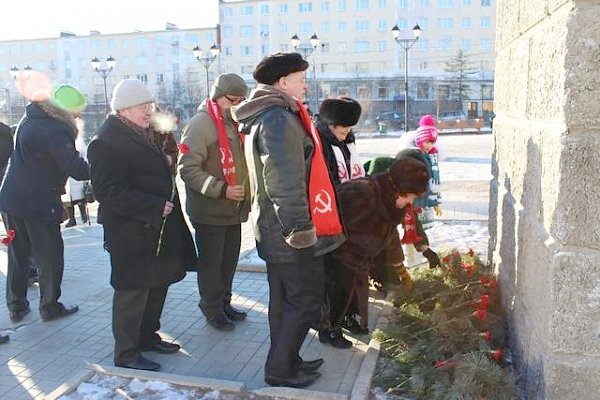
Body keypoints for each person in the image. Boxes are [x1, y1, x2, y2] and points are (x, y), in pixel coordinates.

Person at [232, 52, 345, 388]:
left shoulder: (271, 115)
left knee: (284, 301)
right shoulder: (278, 118)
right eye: (300, 78)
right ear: (283, 83)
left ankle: (288, 360)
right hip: (289, 230)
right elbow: (283, 179)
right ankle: (280, 369)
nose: (305, 84)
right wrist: (299, 229)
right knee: (306, 300)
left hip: (273, 226)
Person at [87, 78, 197, 372]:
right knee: (132, 291)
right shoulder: (105, 142)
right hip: (130, 233)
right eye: (141, 107)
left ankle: (148, 337)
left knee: (157, 283)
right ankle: (126, 353)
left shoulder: (142, 132)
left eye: (149, 105)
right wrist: (151, 205)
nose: (149, 111)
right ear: (123, 110)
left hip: (156, 230)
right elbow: (107, 192)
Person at [0, 84, 89, 323]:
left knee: (19, 255)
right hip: (38, 203)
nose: (78, 116)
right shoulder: (56, 130)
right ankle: (49, 306)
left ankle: (16, 306)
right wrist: (104, 168)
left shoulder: (29, 120)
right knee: (50, 255)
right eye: (76, 112)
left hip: (11, 199)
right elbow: (75, 168)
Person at [329, 150, 441, 334]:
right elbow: (386, 237)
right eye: (410, 197)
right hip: (343, 255)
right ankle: (334, 326)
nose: (410, 202)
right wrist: (397, 266)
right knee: (346, 286)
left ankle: (346, 317)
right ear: (400, 187)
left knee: (355, 286)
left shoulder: (396, 195)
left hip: (361, 254)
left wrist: (425, 248)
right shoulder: (366, 193)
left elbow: (407, 221)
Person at [179, 73, 250, 332]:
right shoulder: (201, 124)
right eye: (233, 100)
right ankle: (211, 308)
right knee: (211, 266)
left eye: (241, 100)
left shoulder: (232, 122)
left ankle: (225, 302)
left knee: (228, 262)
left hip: (233, 211)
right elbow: (187, 169)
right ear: (218, 97)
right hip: (210, 211)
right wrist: (222, 190)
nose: (238, 105)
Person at [314, 97, 363, 348]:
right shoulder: (318, 144)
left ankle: (344, 317)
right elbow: (323, 183)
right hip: (328, 220)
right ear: (330, 124)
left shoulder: (347, 141)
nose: (348, 133)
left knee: (347, 275)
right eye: (343, 128)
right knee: (331, 278)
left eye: (350, 128)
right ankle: (327, 327)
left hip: (349, 217)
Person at [412, 114, 442, 229]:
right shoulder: (416, 156)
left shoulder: (432, 157)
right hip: (416, 200)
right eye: (427, 142)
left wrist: (436, 202)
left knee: (422, 229)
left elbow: (436, 181)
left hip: (427, 201)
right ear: (420, 140)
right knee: (414, 228)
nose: (430, 145)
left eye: (432, 142)